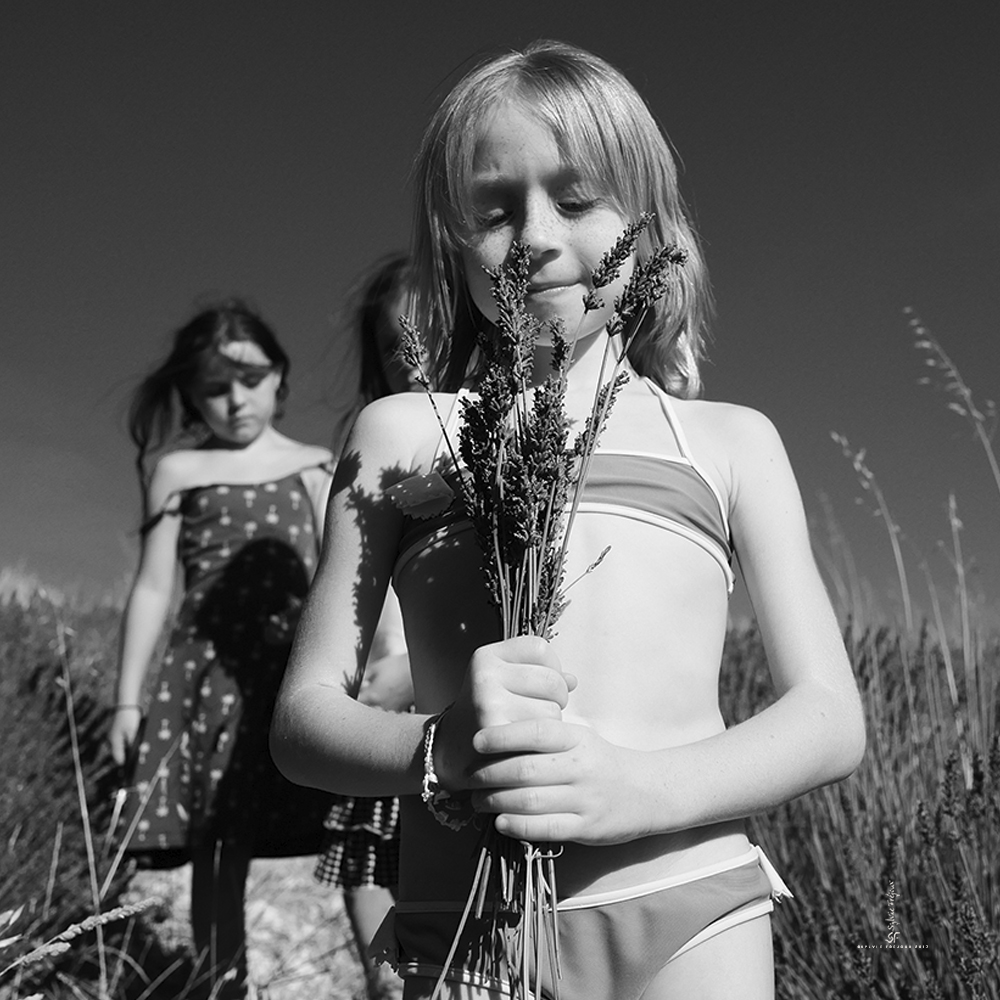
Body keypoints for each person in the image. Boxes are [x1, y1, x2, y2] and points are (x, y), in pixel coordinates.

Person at [271, 40, 866, 1000]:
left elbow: (830, 720)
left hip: (689, 905)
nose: (536, 235)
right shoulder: (400, 435)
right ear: (449, 241)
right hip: (464, 919)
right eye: (494, 208)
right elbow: (302, 723)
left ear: (649, 225)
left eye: (578, 199)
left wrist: (637, 791)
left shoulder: (727, 441)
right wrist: (439, 749)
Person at [110, 299, 335, 1000]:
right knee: (213, 841)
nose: (234, 400)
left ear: (279, 377)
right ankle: (219, 983)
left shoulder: (318, 467)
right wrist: (126, 698)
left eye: (249, 377)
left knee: (284, 830)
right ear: (189, 393)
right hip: (198, 679)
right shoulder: (177, 471)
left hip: (282, 676)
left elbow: (341, 580)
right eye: (213, 386)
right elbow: (153, 589)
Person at [317, 253, 417, 1000]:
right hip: (379, 717)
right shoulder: (371, 457)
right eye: (394, 345)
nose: (414, 355)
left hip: (459, 710)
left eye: (435, 331)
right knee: (368, 862)